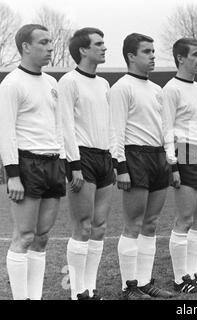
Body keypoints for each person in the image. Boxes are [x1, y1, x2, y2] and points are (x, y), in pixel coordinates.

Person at [0, 24, 66, 300]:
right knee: (24, 236)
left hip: (53, 164)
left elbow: (58, 127)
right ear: (26, 46)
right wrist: (12, 174)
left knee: (42, 238)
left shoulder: (51, 83)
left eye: (51, 41)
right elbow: (6, 131)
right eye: (44, 42)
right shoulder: (11, 83)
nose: (51, 47)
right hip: (27, 166)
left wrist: (64, 162)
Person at [111, 33, 175, 299]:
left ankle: (146, 283)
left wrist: (170, 160)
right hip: (134, 157)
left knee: (151, 223)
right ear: (131, 56)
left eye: (153, 51)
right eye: (147, 51)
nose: (153, 56)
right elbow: (116, 130)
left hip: (158, 157)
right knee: (133, 224)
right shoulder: (121, 88)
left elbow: (164, 128)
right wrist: (121, 166)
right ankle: (130, 286)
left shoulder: (157, 90)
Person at [59, 27, 116, 300]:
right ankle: (77, 292)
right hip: (82, 158)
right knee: (82, 226)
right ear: (83, 49)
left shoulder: (103, 84)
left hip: (104, 157)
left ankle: (90, 289)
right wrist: (74, 163)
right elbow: (66, 125)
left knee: (100, 226)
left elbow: (111, 125)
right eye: (99, 44)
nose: (104, 48)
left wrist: (115, 159)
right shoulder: (69, 81)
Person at [162, 37, 197, 293]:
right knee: (184, 218)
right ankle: (179, 279)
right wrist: (173, 164)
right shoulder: (171, 89)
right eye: (195, 55)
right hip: (184, 153)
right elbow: (167, 129)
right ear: (180, 58)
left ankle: (192, 274)